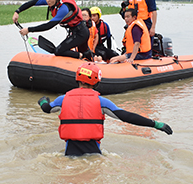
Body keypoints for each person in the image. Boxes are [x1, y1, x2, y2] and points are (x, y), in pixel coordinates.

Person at [38, 62, 172, 156]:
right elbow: (127, 116)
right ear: (97, 81)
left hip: (69, 152)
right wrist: (155, 124)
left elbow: (46, 109)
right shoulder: (101, 102)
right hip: (94, 153)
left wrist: (43, 100)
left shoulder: (62, 99)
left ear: (77, 78)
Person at [13, 0, 90, 59]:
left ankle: (82, 56)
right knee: (84, 52)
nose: (47, 1)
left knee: (58, 51)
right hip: (76, 32)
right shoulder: (53, 0)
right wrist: (17, 11)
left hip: (81, 33)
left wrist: (29, 30)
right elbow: (33, 2)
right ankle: (86, 56)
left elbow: (49, 25)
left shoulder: (64, 8)